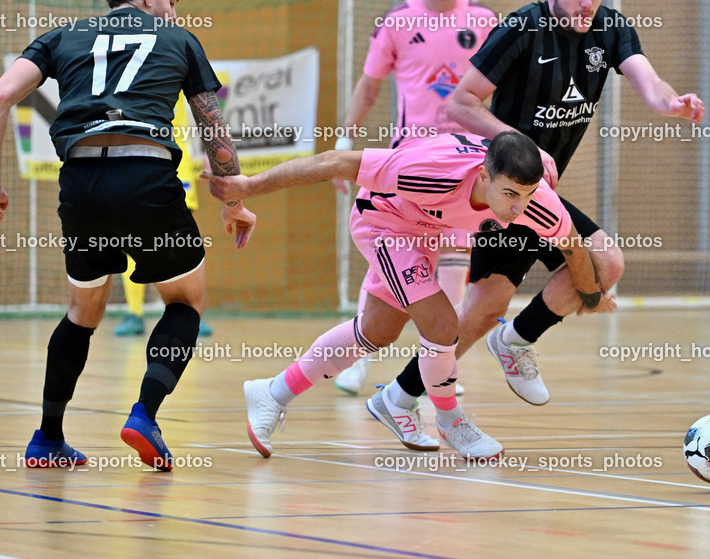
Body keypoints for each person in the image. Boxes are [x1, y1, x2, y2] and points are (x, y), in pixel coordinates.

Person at [371, 0, 705, 443]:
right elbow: (460, 104)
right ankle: (398, 397)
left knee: (605, 265)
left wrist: (669, 103)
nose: (586, 3)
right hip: (503, 195)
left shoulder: (610, 28)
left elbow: (648, 80)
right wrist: (520, 145)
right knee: (480, 312)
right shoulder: (521, 29)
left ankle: (513, 341)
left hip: (542, 199)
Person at [0, 0, 256, 471]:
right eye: (172, 0)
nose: (174, 12)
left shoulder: (62, 36)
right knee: (186, 302)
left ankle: (48, 438)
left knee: (82, 312)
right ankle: (144, 415)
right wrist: (234, 202)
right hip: (146, 177)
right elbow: (212, 126)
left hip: (81, 184)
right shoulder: (179, 39)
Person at [203, 131, 616, 459]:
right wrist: (249, 185)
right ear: (483, 176)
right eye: (509, 194)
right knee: (442, 325)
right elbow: (334, 162)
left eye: (526, 195)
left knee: (377, 331)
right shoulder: (429, 171)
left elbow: (573, 248)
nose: (517, 209)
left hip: (423, 231)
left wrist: (592, 298)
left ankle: (271, 393)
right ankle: (452, 422)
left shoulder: (536, 202)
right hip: (382, 221)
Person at [332, 0, 497, 395]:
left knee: (455, 256)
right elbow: (368, 88)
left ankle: (439, 368)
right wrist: (345, 141)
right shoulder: (398, 21)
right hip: (409, 164)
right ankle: (357, 359)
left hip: (467, 167)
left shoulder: (484, 21)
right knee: (390, 256)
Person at [114, 98, 212, 338]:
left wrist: (212, 150)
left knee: (182, 239)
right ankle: (134, 313)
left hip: (178, 163)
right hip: (135, 162)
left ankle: (190, 312)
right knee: (132, 241)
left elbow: (206, 107)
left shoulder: (180, 73)